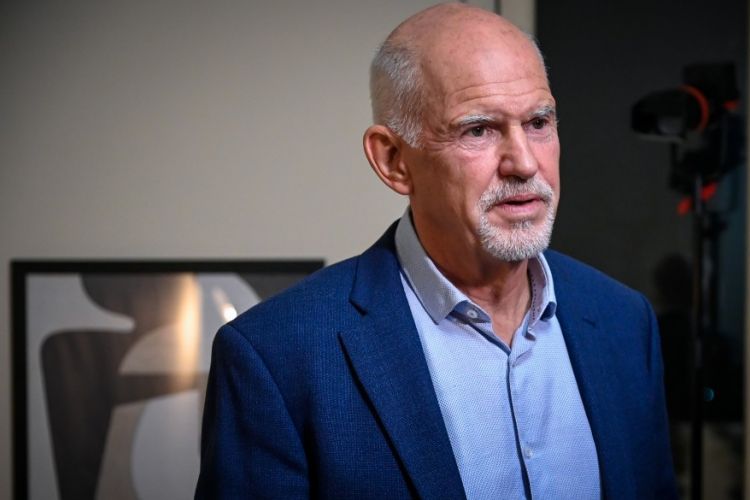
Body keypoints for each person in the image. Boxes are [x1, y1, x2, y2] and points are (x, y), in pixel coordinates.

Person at [195, 4, 677, 499]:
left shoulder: (624, 322)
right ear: (393, 160)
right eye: (478, 130)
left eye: (538, 122)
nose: (524, 163)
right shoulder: (276, 356)